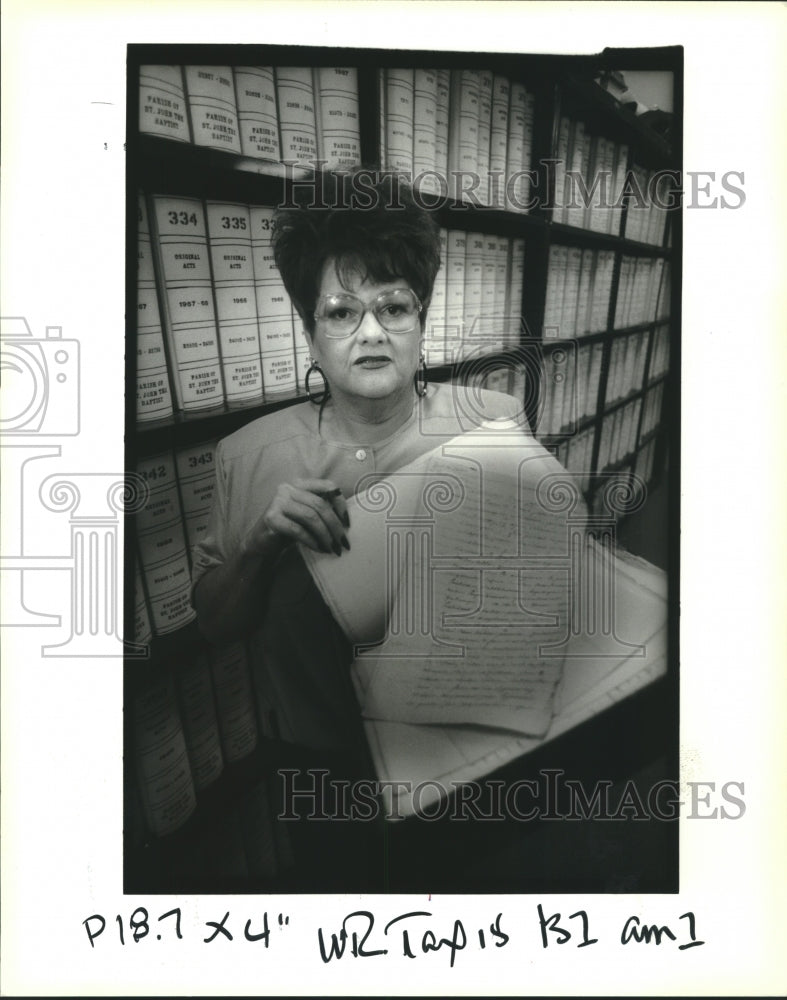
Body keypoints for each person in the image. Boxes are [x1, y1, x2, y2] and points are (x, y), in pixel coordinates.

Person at [190, 172, 525, 761]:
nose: (371, 332)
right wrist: (260, 544)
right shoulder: (246, 456)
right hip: (321, 762)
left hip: (467, 742)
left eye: (393, 306)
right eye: (342, 313)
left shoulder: (493, 424)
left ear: (421, 323)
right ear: (310, 333)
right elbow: (216, 626)